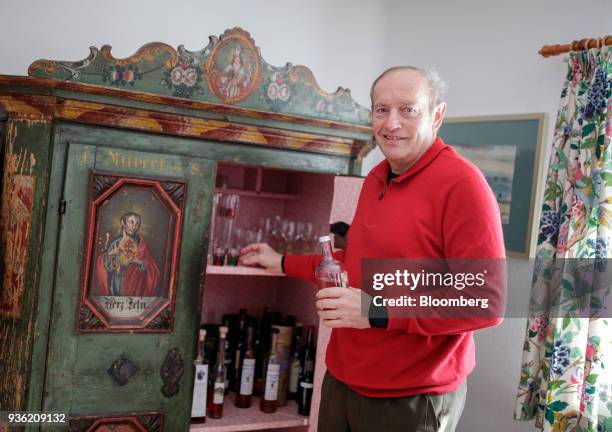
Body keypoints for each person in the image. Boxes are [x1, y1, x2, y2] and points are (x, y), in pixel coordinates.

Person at [240, 66, 505, 431]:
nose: (391, 123)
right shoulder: (378, 177)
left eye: (408, 109)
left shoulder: (463, 185)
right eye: (382, 110)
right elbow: (355, 265)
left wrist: (376, 311)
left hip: (410, 398)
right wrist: (281, 262)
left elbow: (485, 301)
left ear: (437, 115)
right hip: (342, 383)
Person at [94, 212, 161, 297]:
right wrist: (110, 254)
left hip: (135, 283)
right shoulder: (115, 243)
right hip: (117, 282)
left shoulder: (141, 244)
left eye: (137, 224)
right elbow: (108, 267)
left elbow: (150, 265)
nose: (134, 227)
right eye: (131, 222)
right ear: (123, 223)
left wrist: (138, 262)